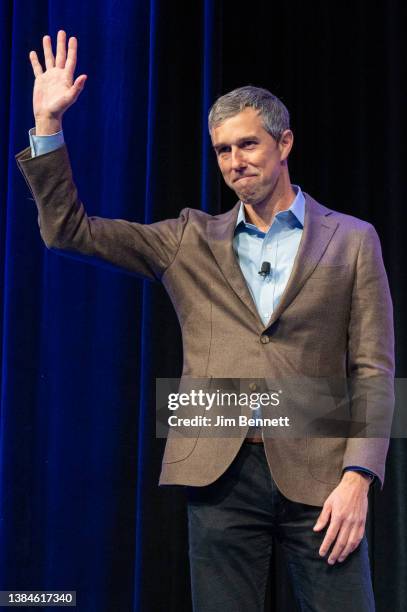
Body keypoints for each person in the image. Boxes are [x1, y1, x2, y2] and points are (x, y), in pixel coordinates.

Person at [16, 30, 394, 611]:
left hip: (322, 477)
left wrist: (359, 477)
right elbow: (69, 230)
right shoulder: (190, 238)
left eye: (248, 145)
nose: (236, 162)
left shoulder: (352, 240)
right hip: (218, 472)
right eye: (223, 150)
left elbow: (373, 367)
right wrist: (48, 125)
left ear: (285, 142)